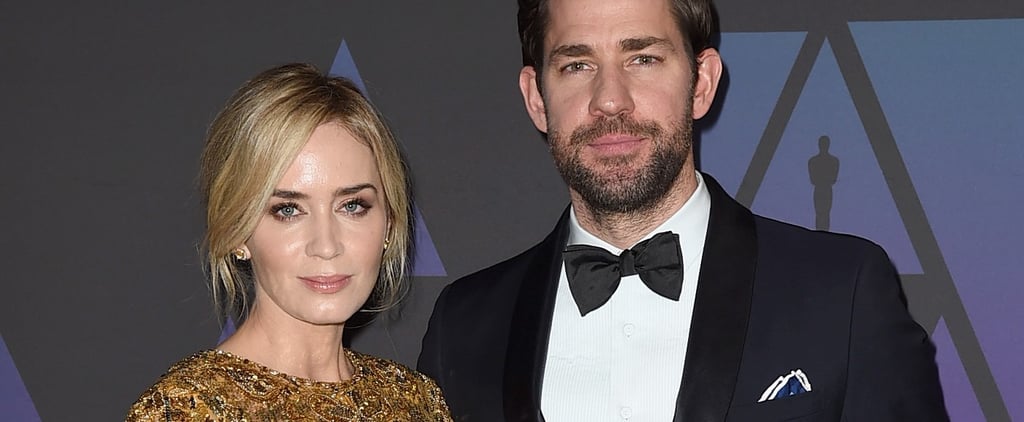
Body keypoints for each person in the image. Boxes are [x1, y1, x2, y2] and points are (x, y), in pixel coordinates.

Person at [418, 0, 948, 420]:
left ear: (702, 83)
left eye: (642, 59)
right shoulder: (464, 326)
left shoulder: (843, 293)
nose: (610, 99)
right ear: (537, 98)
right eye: (577, 64)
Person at [128, 63, 452, 421]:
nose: (326, 245)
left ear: (389, 223)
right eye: (288, 210)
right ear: (238, 230)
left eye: (352, 205)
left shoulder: (417, 401)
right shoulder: (184, 410)